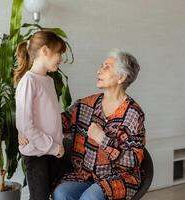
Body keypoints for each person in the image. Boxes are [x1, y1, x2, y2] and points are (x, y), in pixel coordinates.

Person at [53, 48, 146, 200]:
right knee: (61, 193)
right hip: (85, 175)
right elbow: (58, 123)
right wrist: (26, 128)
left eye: (106, 67)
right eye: (101, 66)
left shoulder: (133, 114)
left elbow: (133, 160)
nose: (98, 71)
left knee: (90, 197)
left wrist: (102, 139)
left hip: (118, 178)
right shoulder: (85, 104)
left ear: (121, 77)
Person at [14, 31, 66, 200]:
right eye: (59, 53)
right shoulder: (29, 81)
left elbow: (47, 116)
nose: (61, 58)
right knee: (39, 197)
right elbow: (26, 123)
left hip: (51, 151)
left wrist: (56, 146)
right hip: (37, 153)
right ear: (45, 50)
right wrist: (53, 147)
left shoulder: (49, 81)